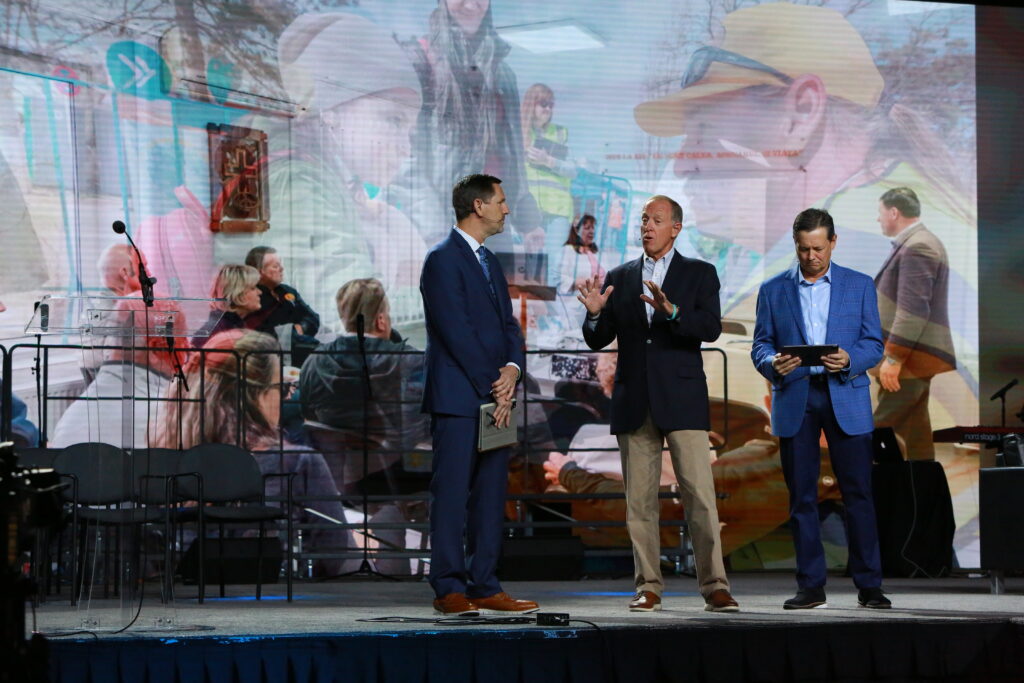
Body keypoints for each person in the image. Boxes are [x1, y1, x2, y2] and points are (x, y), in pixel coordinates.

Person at [634, 2, 975, 325]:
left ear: (802, 113)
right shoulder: (880, 220)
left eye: (704, 131)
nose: (681, 165)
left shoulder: (860, 247)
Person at [577, 194, 739, 613]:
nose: (647, 226)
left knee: (699, 496)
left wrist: (673, 312)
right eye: (644, 219)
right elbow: (598, 337)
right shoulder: (620, 276)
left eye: (657, 220)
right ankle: (648, 586)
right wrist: (594, 314)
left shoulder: (700, 273)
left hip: (682, 398)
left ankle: (715, 586)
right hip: (635, 399)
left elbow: (710, 327)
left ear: (676, 228)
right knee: (639, 503)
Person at [214, 12, 427, 330]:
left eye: (410, 132)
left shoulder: (314, 178)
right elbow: (353, 317)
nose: (405, 148)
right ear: (331, 111)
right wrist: (452, 301)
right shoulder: (297, 184)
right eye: (393, 120)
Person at [750, 208, 890, 609]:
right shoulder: (773, 289)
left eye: (818, 248)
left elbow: (874, 343)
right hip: (796, 396)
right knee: (802, 497)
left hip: (845, 393)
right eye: (803, 249)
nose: (811, 257)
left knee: (858, 494)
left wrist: (849, 359)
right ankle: (811, 587)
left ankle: (870, 586)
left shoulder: (859, 285)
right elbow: (760, 345)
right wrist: (771, 363)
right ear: (795, 245)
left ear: (833, 242)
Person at [419, 173, 536, 616]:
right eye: (501, 201)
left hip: (495, 397)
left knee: (490, 496)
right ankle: (449, 587)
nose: (507, 209)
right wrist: (497, 386)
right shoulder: (442, 259)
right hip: (459, 398)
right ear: (478, 206)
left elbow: (508, 326)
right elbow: (456, 332)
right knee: (452, 494)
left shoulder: (489, 260)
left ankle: (485, 583)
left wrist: (513, 370)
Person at [150, 329, 357, 576]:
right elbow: (336, 558)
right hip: (271, 592)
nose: (284, 398)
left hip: (183, 593)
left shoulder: (162, 459)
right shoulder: (296, 463)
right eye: (281, 387)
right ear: (255, 395)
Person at [397, 0, 542, 255]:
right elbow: (402, 157)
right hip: (443, 226)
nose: (472, 3)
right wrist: (434, 231)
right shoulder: (419, 60)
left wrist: (528, 222)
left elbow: (513, 155)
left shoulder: (503, 73)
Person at [299, 278, 427, 467]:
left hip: (338, 471)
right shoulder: (413, 362)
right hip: (402, 469)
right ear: (381, 321)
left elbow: (308, 415)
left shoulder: (314, 361)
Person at [872, 188, 956, 461]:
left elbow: (913, 311)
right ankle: (925, 487)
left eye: (880, 212)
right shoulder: (918, 242)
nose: (878, 219)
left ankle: (851, 485)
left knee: (877, 430)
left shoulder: (918, 246)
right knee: (915, 434)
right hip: (914, 360)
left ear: (894, 212)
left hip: (909, 362)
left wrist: (894, 358)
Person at [50, 296, 187, 448]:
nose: (188, 350)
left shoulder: (72, 416)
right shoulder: (169, 415)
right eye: (183, 342)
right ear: (156, 349)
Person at [521, 83, 579, 284]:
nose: (547, 108)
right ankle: (528, 305)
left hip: (557, 209)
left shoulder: (561, 133)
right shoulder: (518, 134)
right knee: (528, 266)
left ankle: (548, 305)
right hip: (529, 210)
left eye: (551, 104)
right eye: (543, 103)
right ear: (531, 104)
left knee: (553, 267)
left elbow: (573, 170)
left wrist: (549, 161)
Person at [192, 264, 261, 348]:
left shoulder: (231, 325)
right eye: (253, 288)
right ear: (237, 293)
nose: (259, 292)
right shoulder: (218, 331)